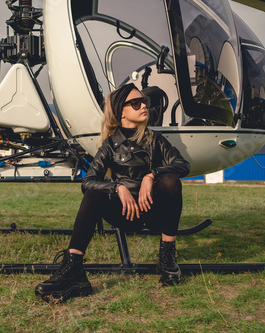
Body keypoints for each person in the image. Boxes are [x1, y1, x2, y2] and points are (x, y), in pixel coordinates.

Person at [35, 83, 190, 303]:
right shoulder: (109, 145)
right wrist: (117, 188)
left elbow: (182, 165)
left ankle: (167, 256)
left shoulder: (154, 139)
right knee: (94, 192)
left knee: (171, 180)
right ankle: (74, 269)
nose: (143, 106)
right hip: (125, 214)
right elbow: (87, 182)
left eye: (144, 102)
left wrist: (151, 175)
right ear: (121, 112)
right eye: (135, 103)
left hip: (154, 212)